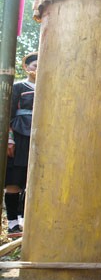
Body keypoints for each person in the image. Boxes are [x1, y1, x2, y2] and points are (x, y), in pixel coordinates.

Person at [5, 52, 38, 237]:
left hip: (40, 136)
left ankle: (26, 221)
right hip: (19, 136)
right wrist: (9, 138)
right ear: (26, 68)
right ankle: (12, 223)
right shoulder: (18, 87)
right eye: (34, 66)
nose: (37, 69)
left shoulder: (49, 87)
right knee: (14, 179)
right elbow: (8, 114)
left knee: (32, 180)